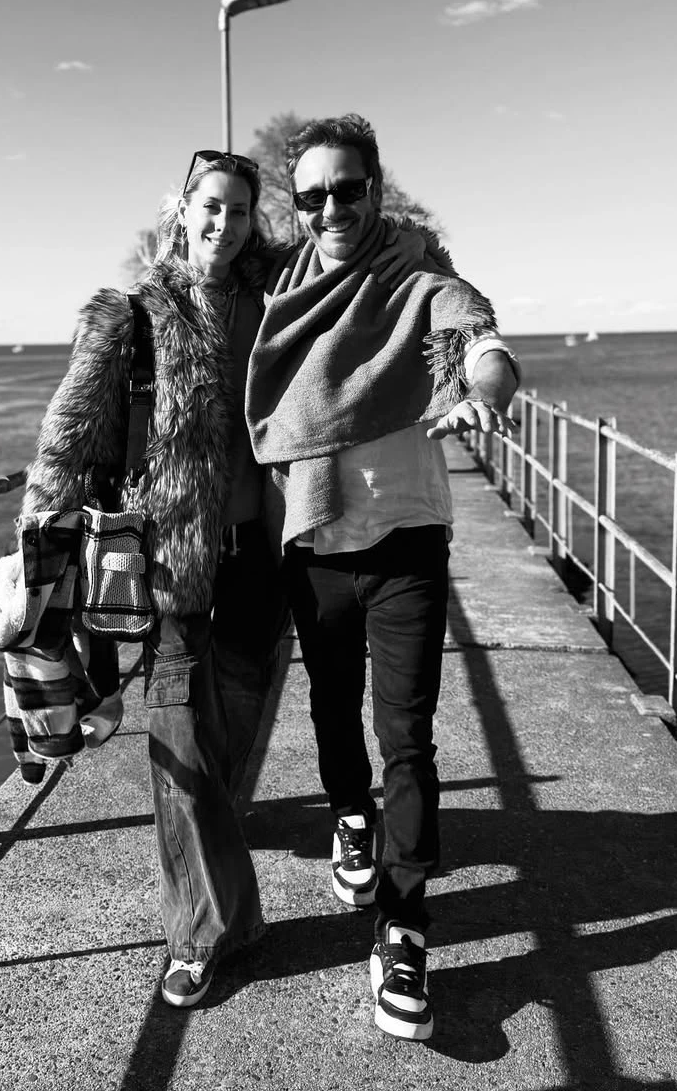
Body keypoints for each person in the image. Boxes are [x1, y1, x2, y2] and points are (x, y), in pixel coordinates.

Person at [6, 149, 430, 1011]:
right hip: (167, 569)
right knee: (182, 751)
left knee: (227, 744)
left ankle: (220, 861)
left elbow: (370, 267)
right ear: (182, 211)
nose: (222, 224)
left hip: (266, 563)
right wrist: (33, 547)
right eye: (210, 207)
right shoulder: (132, 314)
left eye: (238, 211)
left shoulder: (281, 296)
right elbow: (69, 435)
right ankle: (203, 932)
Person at [246, 113, 520, 1043]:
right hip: (313, 541)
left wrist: (487, 384)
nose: (331, 207)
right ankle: (349, 817)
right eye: (312, 194)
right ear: (297, 204)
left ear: (376, 189)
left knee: (409, 736)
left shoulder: (418, 279)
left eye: (347, 189)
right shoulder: (280, 291)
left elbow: (477, 335)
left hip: (406, 539)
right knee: (332, 709)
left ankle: (402, 929)